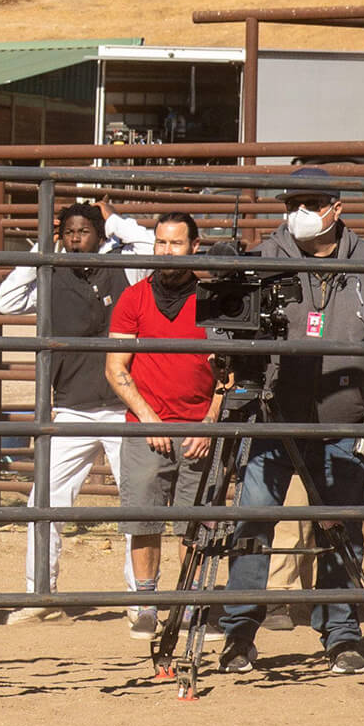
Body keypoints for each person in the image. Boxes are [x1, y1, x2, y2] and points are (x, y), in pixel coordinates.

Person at [216, 168, 364, 677]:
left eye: (311, 203)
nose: (300, 212)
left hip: (344, 419)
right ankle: (238, 633)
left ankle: (342, 635)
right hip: (271, 416)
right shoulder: (263, 259)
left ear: (336, 208)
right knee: (252, 523)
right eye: (292, 203)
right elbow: (228, 327)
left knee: (341, 527)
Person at [0, 201, 149, 624]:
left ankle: (142, 600)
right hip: (71, 408)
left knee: (138, 504)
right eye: (68, 232)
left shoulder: (127, 269)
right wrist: (42, 248)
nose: (75, 239)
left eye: (84, 231)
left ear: (100, 235)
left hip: (124, 407)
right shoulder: (50, 273)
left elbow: (154, 247)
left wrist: (116, 222)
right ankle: (39, 595)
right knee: (44, 502)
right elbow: (7, 301)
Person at [103, 212, 222, 639]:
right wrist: (147, 419)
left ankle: (190, 604)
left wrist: (209, 422)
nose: (166, 252)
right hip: (146, 426)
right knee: (144, 519)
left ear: (194, 246)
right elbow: (115, 367)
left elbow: (228, 371)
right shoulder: (134, 298)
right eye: (160, 243)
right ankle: (146, 603)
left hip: (199, 429)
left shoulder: (213, 299)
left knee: (198, 522)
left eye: (175, 243)